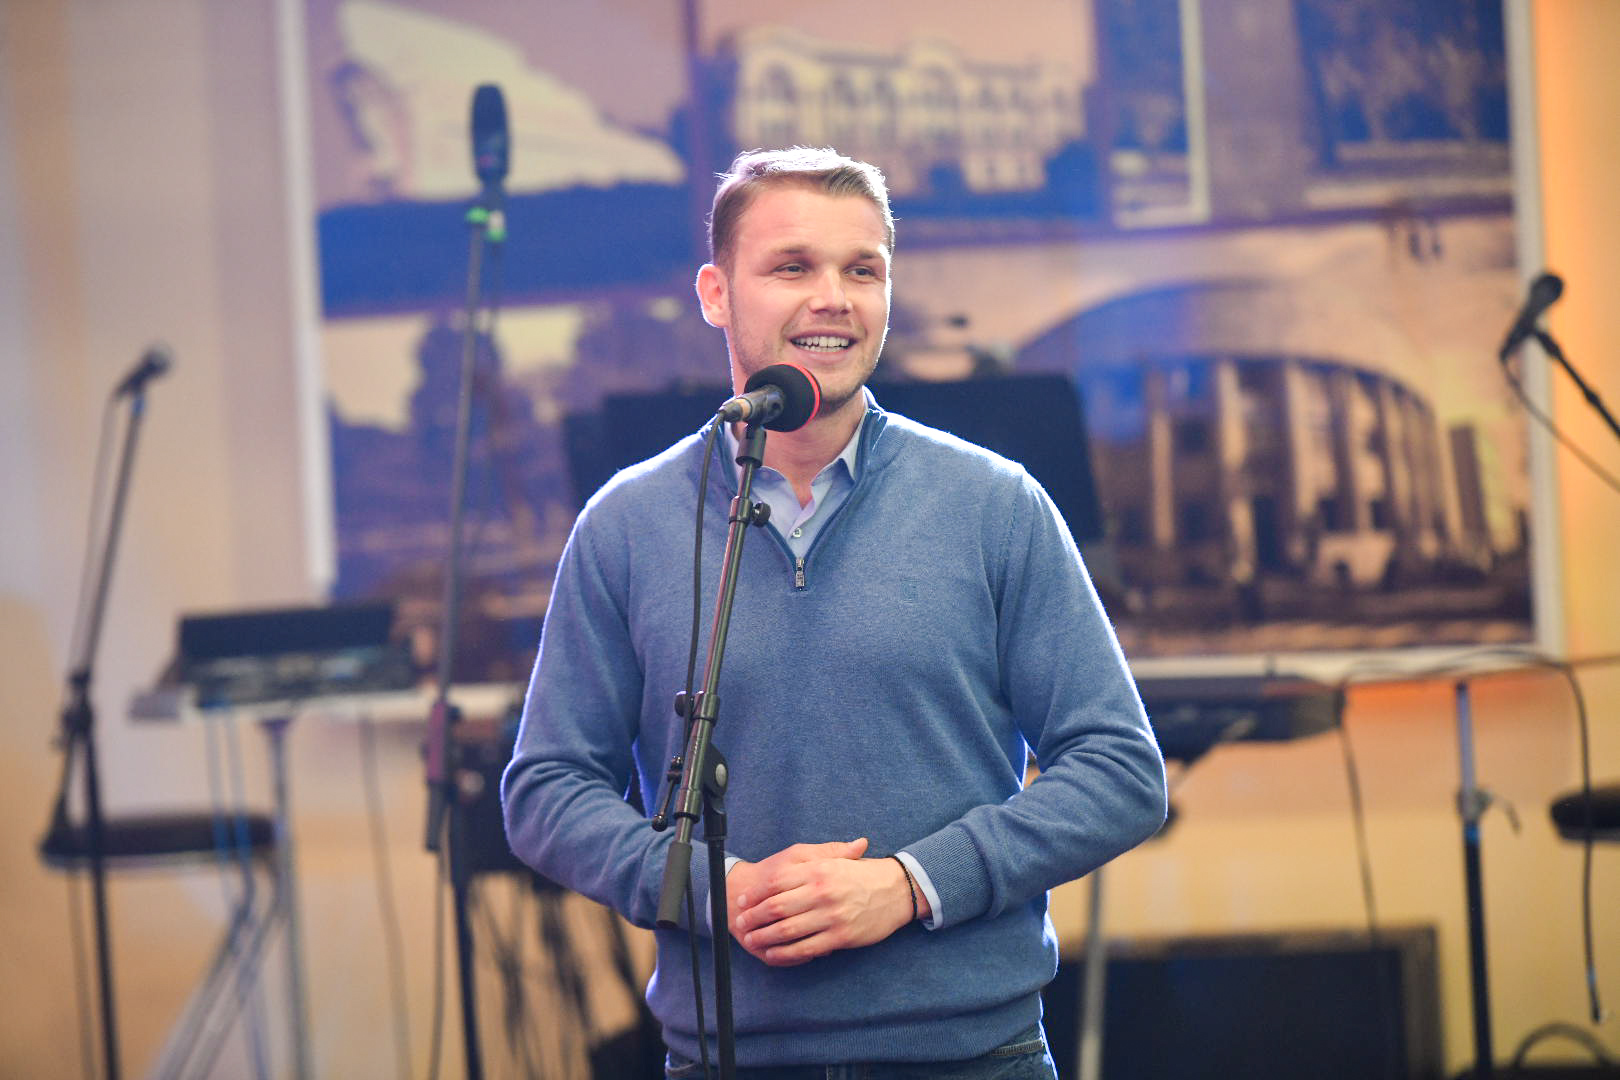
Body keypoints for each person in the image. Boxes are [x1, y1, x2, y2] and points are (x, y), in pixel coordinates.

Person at [503, 147, 1166, 1078]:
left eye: (863, 271)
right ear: (716, 294)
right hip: (725, 1059)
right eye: (792, 267)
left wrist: (911, 885)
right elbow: (546, 790)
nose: (833, 299)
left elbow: (1120, 771)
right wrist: (716, 890)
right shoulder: (626, 525)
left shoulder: (995, 504)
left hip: (976, 1056)